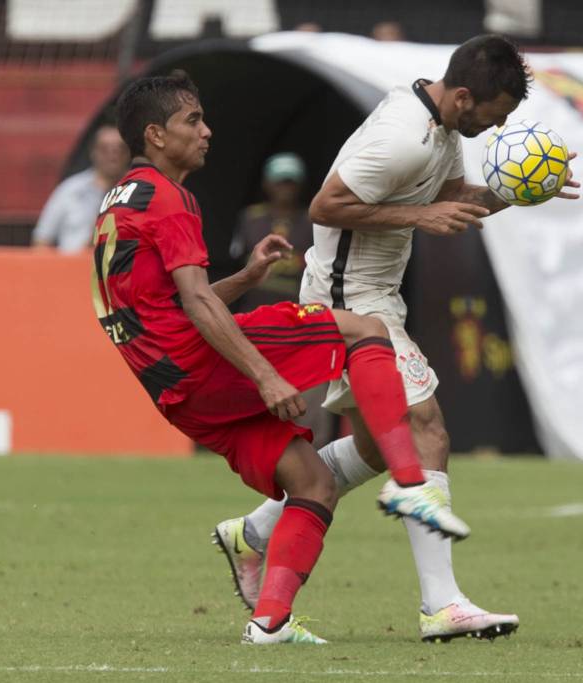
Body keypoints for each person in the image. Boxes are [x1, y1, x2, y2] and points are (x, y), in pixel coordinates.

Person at [215, 34, 580, 643]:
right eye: (498, 114)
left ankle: (252, 532)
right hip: (348, 302)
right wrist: (419, 217)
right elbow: (325, 207)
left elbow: (449, 200)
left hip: (377, 299)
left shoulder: (441, 130)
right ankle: (441, 604)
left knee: (386, 448)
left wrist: (520, 190)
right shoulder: (401, 136)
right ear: (464, 96)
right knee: (427, 428)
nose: (500, 127)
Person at [94, 72, 470, 645]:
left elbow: (165, 305)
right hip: (199, 360)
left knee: (313, 483)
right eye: (191, 121)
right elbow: (194, 303)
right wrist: (265, 376)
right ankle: (410, 483)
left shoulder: (116, 202)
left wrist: (246, 278)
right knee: (364, 328)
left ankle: (269, 621)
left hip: (171, 387)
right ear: (155, 134)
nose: (206, 131)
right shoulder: (169, 198)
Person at [229, 152, 334, 447]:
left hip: (303, 319)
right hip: (258, 317)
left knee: (311, 392)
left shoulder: (314, 221)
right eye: (280, 182)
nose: (285, 188)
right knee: (255, 387)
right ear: (267, 184)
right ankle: (253, 445)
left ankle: (314, 449)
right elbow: (236, 264)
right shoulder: (251, 219)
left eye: (290, 182)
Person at [34, 124, 129, 252]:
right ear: (93, 152)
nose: (113, 155)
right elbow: (41, 241)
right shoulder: (70, 190)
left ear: (129, 153)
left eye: (119, 149)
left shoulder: (138, 191)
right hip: (72, 267)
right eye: (105, 149)